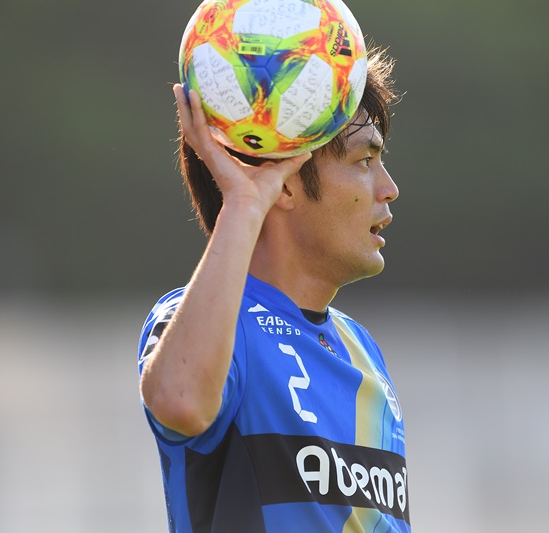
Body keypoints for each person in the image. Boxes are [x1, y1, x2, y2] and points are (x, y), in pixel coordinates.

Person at [138, 46, 409, 532]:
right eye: (364, 160)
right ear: (285, 185)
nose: (389, 188)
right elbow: (179, 399)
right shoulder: (211, 324)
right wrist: (244, 202)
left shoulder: (363, 350)